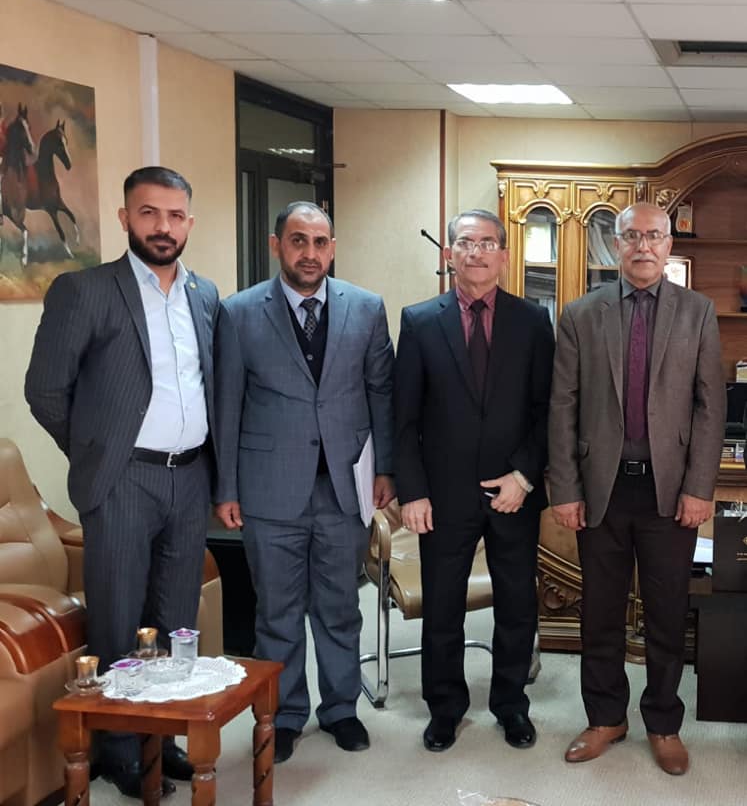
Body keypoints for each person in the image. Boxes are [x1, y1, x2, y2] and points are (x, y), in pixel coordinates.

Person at [25, 166, 219, 797]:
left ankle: (162, 739)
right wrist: (98, 454)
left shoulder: (205, 295)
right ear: (125, 217)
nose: (163, 227)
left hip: (190, 477)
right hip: (124, 479)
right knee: (117, 618)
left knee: (174, 617)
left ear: (189, 222)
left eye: (175, 215)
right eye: (149, 213)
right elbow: (45, 390)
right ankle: (117, 749)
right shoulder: (85, 290)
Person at [214, 201, 394, 764]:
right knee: (278, 612)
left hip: (344, 487)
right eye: (298, 241)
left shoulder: (366, 308)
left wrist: (385, 469)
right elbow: (227, 405)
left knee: (340, 607)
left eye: (320, 243)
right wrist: (226, 487)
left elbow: (381, 392)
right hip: (268, 490)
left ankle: (340, 709)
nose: (309, 253)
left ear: (332, 249)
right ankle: (284, 714)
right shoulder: (238, 312)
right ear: (277, 246)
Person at [549, 202, 725, 776]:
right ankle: (606, 717)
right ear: (617, 244)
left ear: (669, 245)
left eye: (654, 236)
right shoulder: (580, 314)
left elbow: (710, 407)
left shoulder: (697, 311)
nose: (643, 246)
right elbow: (563, 406)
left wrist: (699, 487)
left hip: (669, 493)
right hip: (601, 490)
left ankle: (663, 723)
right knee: (599, 612)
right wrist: (565, 488)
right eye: (631, 236)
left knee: (667, 613)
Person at [395, 208, 555, 753]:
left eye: (488, 243)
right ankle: (445, 708)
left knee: (516, 605)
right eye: (466, 243)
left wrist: (525, 477)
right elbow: (405, 418)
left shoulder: (532, 321)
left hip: (513, 493)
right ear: (449, 254)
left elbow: (546, 410)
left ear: (504, 255)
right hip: (443, 496)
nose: (477, 253)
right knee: (442, 607)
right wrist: (413, 492)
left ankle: (510, 704)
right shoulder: (419, 321)